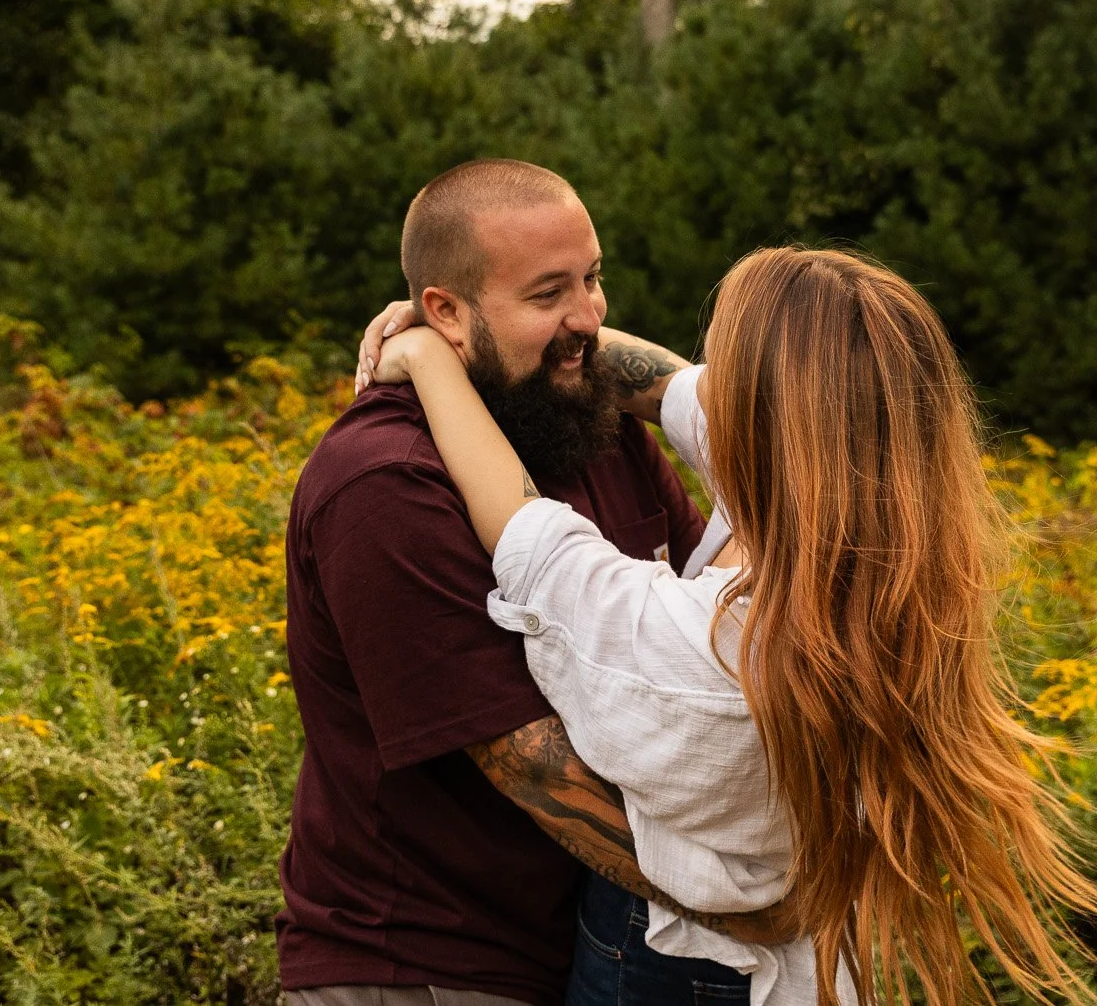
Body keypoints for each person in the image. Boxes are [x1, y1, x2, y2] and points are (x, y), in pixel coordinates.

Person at [361, 245, 1097, 1006]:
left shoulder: (723, 643)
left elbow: (533, 536)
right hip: (812, 954)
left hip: (682, 964)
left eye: (727, 366)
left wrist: (431, 358)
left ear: (764, 417)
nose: (708, 380)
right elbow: (667, 384)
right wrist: (505, 331)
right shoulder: (872, 529)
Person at [275, 160, 787, 1006]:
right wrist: (757, 900)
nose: (588, 315)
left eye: (593, 277)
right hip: (429, 965)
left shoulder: (585, 419)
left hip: (587, 946)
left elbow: (695, 645)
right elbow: (537, 772)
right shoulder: (387, 483)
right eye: (548, 293)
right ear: (448, 309)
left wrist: (446, 342)